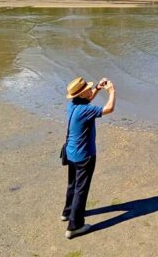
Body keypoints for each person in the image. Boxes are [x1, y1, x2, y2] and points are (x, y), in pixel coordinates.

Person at [62, 76, 116, 239]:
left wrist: (98, 88)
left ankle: (67, 212)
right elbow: (108, 109)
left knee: (73, 185)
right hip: (84, 156)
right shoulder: (86, 110)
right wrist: (112, 91)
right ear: (81, 94)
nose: (89, 89)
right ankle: (75, 226)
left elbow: (88, 98)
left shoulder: (73, 106)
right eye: (87, 88)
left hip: (71, 152)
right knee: (81, 189)